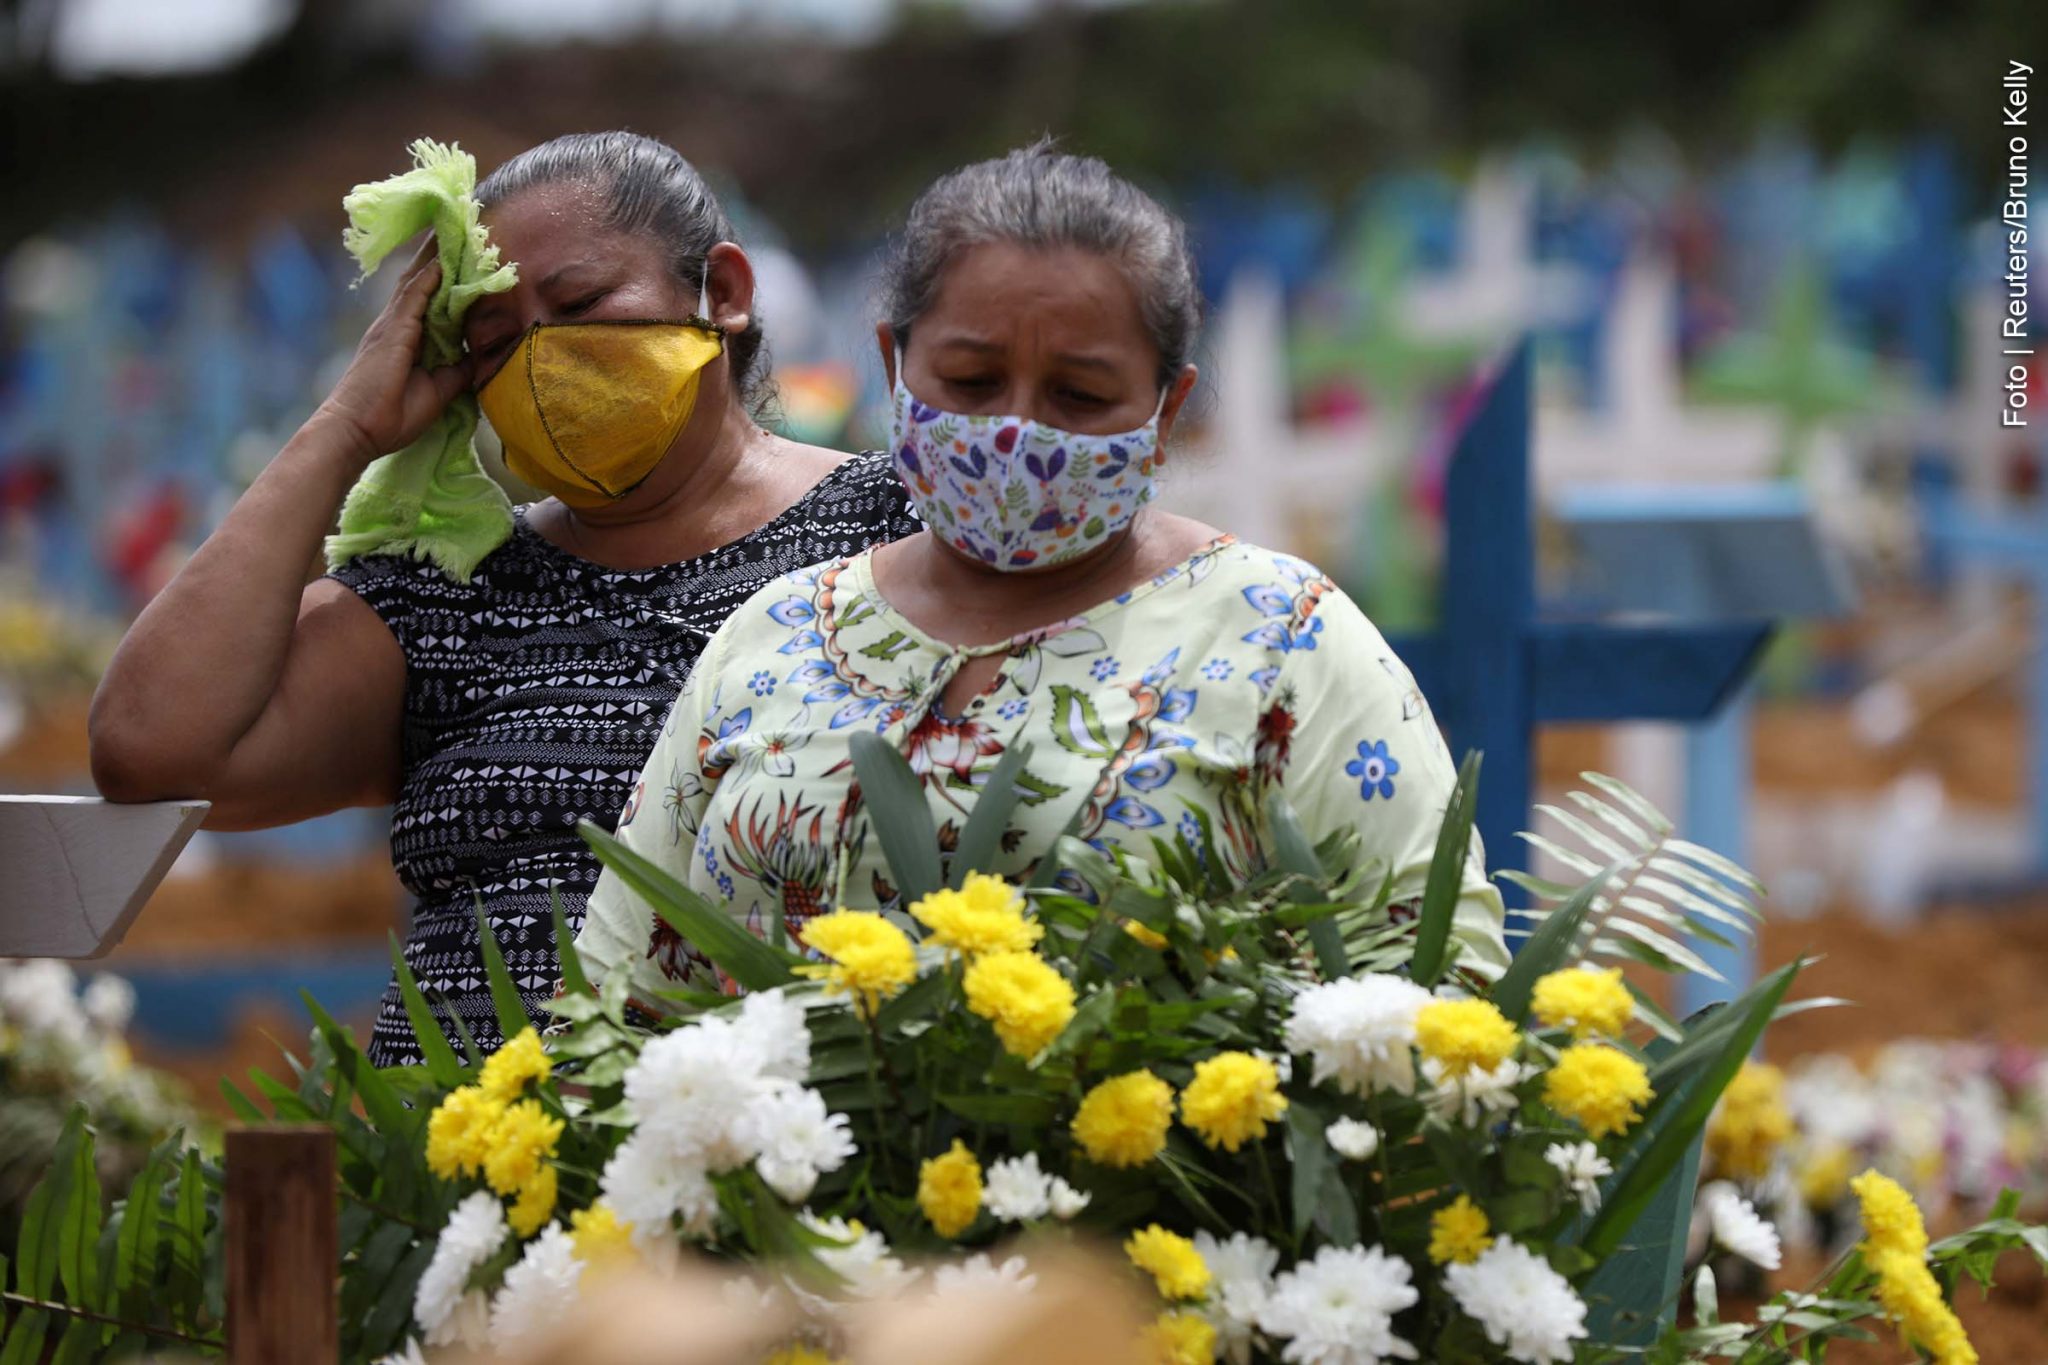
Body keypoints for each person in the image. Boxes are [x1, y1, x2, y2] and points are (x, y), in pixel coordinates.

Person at [576, 144, 1504, 998]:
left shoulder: (1279, 637)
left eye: (1081, 395)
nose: (1017, 430)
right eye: (973, 382)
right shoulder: (775, 636)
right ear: (895, 366)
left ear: (1166, 408)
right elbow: (618, 994)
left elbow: (1434, 989)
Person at [88, 132, 921, 1064]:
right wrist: (346, 426)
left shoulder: (897, 530)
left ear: (722, 293)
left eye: (580, 304)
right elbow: (150, 749)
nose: (540, 357)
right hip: (457, 1167)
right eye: (493, 343)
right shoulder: (447, 597)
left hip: (776, 1150)